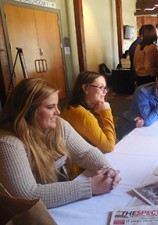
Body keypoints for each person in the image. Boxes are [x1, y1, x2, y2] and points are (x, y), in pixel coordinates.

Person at [0, 78, 121, 208]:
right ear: (27, 111)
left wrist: (107, 170)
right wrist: (90, 186)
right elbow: (27, 195)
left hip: (58, 204)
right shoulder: (7, 143)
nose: (58, 112)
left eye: (57, 105)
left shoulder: (59, 125)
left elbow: (85, 152)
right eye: (50, 107)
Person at [116, 62, 158, 140]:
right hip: (130, 126)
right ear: (156, 79)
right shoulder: (142, 92)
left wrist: (148, 118)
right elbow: (148, 121)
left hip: (151, 127)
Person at [61, 71, 116, 153]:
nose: (105, 92)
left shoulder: (72, 107)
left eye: (105, 88)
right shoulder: (82, 115)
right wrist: (106, 113)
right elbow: (109, 146)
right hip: (78, 164)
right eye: (101, 87)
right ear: (85, 88)